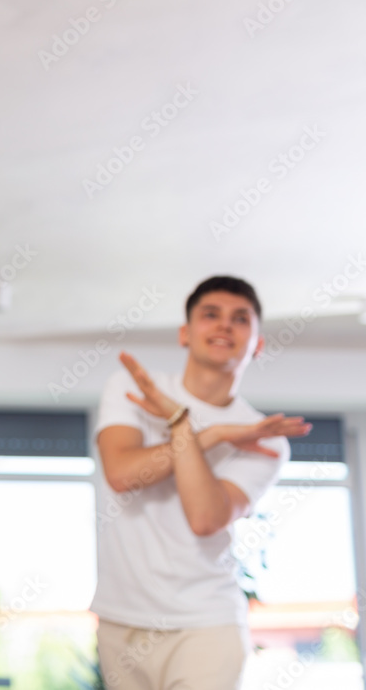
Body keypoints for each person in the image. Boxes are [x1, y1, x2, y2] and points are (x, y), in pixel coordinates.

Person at [91, 276, 312, 690]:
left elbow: (205, 517)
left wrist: (178, 424)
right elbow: (122, 475)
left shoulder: (264, 438)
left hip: (206, 622)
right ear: (185, 334)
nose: (224, 325)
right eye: (210, 315)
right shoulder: (134, 390)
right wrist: (205, 435)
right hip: (119, 617)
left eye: (240, 319)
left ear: (258, 344)